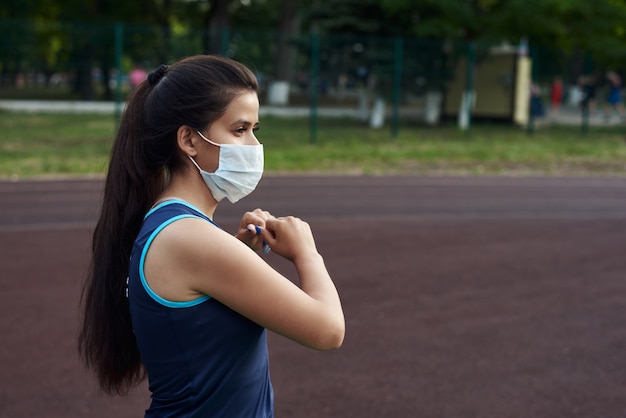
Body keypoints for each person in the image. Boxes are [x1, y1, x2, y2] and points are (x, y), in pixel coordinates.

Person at [78, 55, 345, 417]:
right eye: (239, 130)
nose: (253, 145)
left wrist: (236, 252)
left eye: (255, 129)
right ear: (189, 140)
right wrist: (307, 253)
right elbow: (328, 331)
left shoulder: (175, 226)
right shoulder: (188, 237)